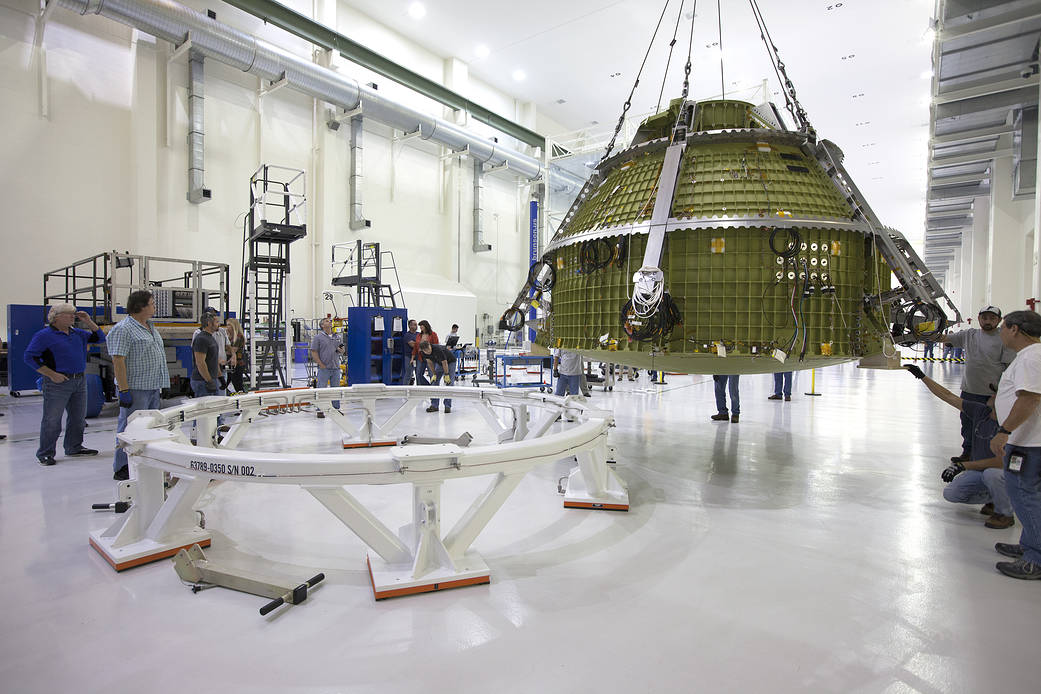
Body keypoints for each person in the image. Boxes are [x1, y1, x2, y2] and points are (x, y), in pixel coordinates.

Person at [904, 364, 1014, 528]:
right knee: (952, 493)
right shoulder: (981, 412)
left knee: (993, 474)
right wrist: (923, 377)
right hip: (981, 473)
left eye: (996, 393)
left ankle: (1005, 513)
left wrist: (963, 465)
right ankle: (994, 498)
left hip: (1004, 475)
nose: (991, 395)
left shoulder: (1010, 424)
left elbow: (1002, 462)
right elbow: (949, 396)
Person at [989, 310, 1041, 580]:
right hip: (1029, 441)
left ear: (1015, 330)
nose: (1000, 332)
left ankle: (1036, 558)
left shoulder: (1031, 358)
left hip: (1028, 443)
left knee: (1024, 496)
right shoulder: (1031, 356)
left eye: (1003, 327)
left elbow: (1029, 399)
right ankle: (1028, 545)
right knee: (1029, 496)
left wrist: (1004, 431)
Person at [23, 303, 105, 466]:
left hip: (79, 380)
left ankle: (74, 447)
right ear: (56, 317)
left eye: (73, 314)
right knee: (52, 419)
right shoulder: (44, 335)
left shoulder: (78, 333)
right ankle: (45, 453)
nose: (72, 317)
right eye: (68, 314)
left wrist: (88, 321)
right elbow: (30, 357)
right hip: (57, 383)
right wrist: (51, 374)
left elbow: (100, 338)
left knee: (78, 417)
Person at [937, 306, 1015, 463]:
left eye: (992, 318)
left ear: (999, 321)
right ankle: (968, 452)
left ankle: (986, 456)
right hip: (969, 390)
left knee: (987, 426)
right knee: (967, 424)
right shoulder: (970, 335)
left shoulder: (1003, 338)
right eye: (984, 318)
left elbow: (1009, 368)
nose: (987, 321)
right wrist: (925, 331)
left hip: (991, 393)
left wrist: (998, 393)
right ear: (979, 318)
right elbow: (943, 339)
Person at [107, 290, 169, 481]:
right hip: (136, 387)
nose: (154, 307)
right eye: (151, 303)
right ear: (140, 307)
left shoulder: (150, 326)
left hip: (152, 385)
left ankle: (145, 461)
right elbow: (118, 361)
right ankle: (122, 466)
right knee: (129, 428)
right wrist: (124, 390)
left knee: (150, 428)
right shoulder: (123, 329)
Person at [310, 317, 344, 418]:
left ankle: (336, 409)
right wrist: (320, 364)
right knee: (321, 389)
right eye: (326, 321)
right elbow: (314, 351)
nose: (329, 322)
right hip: (324, 368)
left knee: (336, 390)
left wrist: (341, 350)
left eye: (330, 321)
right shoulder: (318, 337)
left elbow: (341, 350)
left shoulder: (337, 337)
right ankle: (320, 410)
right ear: (322, 325)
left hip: (335, 367)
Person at [190, 313, 224, 399]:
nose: (218, 325)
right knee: (206, 410)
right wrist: (209, 380)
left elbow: (214, 360)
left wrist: (220, 377)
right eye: (216, 322)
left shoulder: (211, 338)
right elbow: (200, 362)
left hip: (211, 379)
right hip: (202, 382)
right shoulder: (201, 339)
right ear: (209, 323)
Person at [419, 341, 455, 413]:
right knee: (434, 383)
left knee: (449, 383)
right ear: (423, 350)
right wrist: (434, 374)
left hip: (450, 362)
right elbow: (430, 362)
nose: (428, 351)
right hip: (439, 363)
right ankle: (434, 405)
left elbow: (445, 362)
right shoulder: (423, 353)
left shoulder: (437, 349)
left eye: (428, 348)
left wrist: (446, 374)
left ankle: (447, 406)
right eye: (425, 350)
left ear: (430, 345)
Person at [413, 320, 439, 387]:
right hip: (420, 357)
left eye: (422, 325)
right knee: (418, 374)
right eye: (420, 326)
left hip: (430, 357)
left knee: (432, 374)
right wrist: (412, 357)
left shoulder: (433, 334)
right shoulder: (419, 335)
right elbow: (415, 346)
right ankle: (428, 387)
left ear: (426, 326)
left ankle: (433, 389)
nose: (420, 327)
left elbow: (436, 345)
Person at [225, 317, 246, 393]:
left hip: (237, 364)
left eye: (229, 325)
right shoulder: (229, 337)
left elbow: (232, 351)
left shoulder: (238, 337)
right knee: (224, 384)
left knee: (237, 385)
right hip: (229, 363)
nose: (227, 327)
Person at [401, 319, 418, 385]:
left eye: (416, 324)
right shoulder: (407, 335)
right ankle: (404, 389)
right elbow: (413, 345)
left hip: (418, 357)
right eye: (414, 325)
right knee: (408, 374)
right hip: (409, 357)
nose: (416, 326)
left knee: (418, 374)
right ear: (410, 326)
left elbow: (424, 343)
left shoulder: (418, 334)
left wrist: (417, 343)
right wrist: (419, 343)